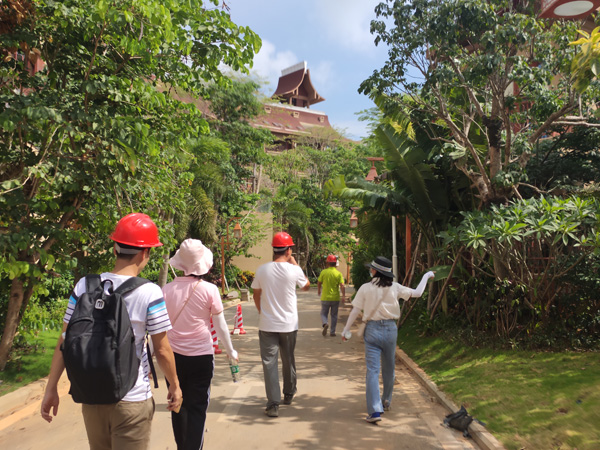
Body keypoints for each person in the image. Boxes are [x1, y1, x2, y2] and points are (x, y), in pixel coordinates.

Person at [41, 213, 183, 450]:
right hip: (132, 399)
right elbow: (162, 349)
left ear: (115, 249)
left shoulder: (84, 285)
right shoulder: (149, 292)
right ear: (145, 253)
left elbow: (64, 340)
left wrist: (51, 388)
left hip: (91, 397)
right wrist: (175, 384)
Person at [162, 239, 238, 450]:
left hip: (173, 358)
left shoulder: (166, 290)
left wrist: (150, 355)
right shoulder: (210, 290)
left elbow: (157, 330)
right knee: (197, 408)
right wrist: (230, 350)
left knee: (177, 404)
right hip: (201, 357)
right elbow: (220, 325)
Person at [341, 256, 434, 424]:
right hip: (391, 330)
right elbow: (418, 293)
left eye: (372, 268)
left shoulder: (365, 288)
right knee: (389, 368)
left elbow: (355, 310)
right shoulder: (395, 287)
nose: (370, 270)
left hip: (372, 330)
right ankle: (386, 400)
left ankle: (375, 411)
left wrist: (346, 329)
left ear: (375, 271)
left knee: (372, 371)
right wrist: (426, 275)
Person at [251, 231, 310, 418]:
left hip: (267, 324)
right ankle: (289, 393)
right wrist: (295, 264)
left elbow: (256, 294)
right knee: (288, 358)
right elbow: (306, 286)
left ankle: (273, 404)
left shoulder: (262, 270)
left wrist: (262, 312)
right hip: (289, 325)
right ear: (288, 250)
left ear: (274, 249)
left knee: (269, 363)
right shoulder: (294, 270)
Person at [317, 254, 346, 337]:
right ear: (335, 263)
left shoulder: (324, 272)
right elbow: (342, 285)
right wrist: (343, 296)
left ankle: (325, 323)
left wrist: (319, 290)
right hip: (335, 298)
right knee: (334, 315)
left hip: (325, 297)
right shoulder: (338, 274)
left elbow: (319, 282)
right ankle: (332, 332)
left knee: (323, 313)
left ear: (327, 263)